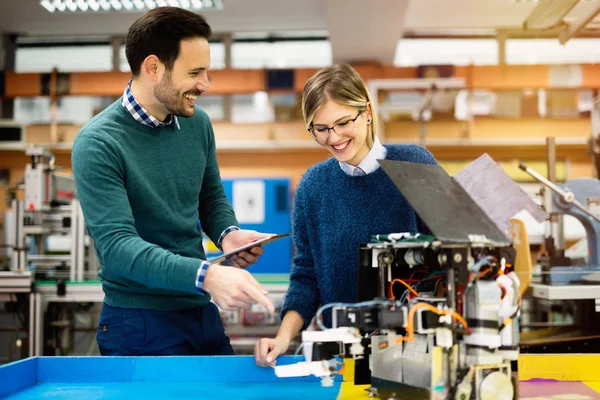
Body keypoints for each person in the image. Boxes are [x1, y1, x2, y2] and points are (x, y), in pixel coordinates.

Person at [72, 6, 274, 357]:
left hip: (199, 311)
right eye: (195, 72)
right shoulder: (99, 143)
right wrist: (206, 276)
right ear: (153, 68)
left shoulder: (197, 124)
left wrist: (228, 234)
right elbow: (119, 248)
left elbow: (210, 198)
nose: (205, 85)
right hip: (138, 321)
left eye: (207, 72)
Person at [254, 64, 437, 367]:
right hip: (342, 356)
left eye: (342, 123)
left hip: (415, 352)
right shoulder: (313, 186)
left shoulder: (415, 164)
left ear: (366, 111)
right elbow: (307, 275)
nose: (333, 138)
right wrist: (283, 337)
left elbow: (454, 252)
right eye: (320, 129)